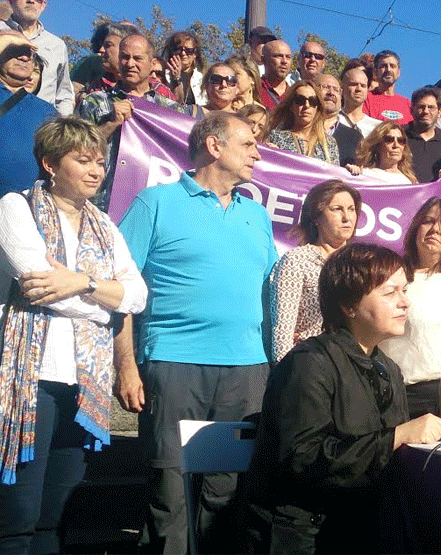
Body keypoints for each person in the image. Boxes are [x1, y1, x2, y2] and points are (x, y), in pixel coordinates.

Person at [115, 113, 277, 554]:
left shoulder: (257, 216)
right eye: (248, 144)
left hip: (246, 373)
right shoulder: (156, 203)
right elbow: (121, 290)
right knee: (171, 491)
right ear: (213, 146)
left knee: (225, 493)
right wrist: (127, 367)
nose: (257, 153)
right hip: (175, 365)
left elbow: (266, 291)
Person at [0, 116, 147, 552]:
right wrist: (105, 302)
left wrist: (82, 282)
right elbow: (38, 284)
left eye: (100, 162)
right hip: (32, 378)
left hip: (85, 383)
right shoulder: (15, 206)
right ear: (49, 163)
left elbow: (137, 295)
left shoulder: (106, 226)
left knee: (56, 514)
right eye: (83, 160)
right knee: (17, 514)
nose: (96, 170)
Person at [244, 243, 441, 554]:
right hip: (303, 533)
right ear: (349, 305)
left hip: (360, 524)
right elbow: (302, 459)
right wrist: (397, 437)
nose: (405, 303)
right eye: (390, 292)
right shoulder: (309, 363)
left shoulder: (387, 369)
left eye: (405, 291)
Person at [382, 198, 441, 418]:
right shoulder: (394, 276)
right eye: (428, 221)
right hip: (407, 396)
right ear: (416, 228)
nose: (435, 230)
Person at [77, 34, 185, 211]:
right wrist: (109, 124)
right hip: (100, 207)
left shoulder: (172, 111)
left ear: (152, 64)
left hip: (152, 209)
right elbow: (74, 151)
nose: (130, 64)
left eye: (137, 58)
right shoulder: (94, 102)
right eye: (125, 57)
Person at [270, 180, 361, 361]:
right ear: (316, 217)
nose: (347, 217)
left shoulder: (361, 262)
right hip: (312, 363)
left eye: (352, 209)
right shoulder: (297, 260)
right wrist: (286, 375)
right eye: (337, 209)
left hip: (355, 364)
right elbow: (282, 330)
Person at [2, 0, 73, 114]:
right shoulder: (1, 32)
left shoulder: (56, 45)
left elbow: (63, 95)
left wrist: (62, 127)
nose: (31, 0)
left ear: (43, 5)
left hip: (42, 128)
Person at [0, 31, 57, 196]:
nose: (24, 58)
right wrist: (7, 39)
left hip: (25, 210)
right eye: (15, 51)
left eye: (30, 54)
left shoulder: (48, 112)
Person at [264, 80, 340, 167]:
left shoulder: (329, 143)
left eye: (312, 101)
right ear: (291, 105)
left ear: (317, 108)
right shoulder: (276, 137)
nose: (306, 105)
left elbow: (335, 176)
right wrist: (271, 156)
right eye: (300, 100)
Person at [405, 85, 441, 182]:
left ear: (440, 111)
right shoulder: (399, 136)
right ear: (411, 110)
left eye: (431, 107)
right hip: (405, 195)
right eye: (421, 107)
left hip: (437, 196)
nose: (425, 111)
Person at [314, 72, 363, 167]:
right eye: (325, 87)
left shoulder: (355, 138)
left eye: (336, 90)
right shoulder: (298, 129)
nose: (331, 93)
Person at [363, 49, 411, 124]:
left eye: (392, 66)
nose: (388, 70)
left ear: (399, 72)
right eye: (383, 66)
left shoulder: (407, 104)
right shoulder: (366, 99)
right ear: (375, 71)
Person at [338, 59, 381, 137]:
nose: (358, 89)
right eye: (353, 84)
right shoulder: (330, 120)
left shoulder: (377, 127)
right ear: (342, 87)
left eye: (363, 86)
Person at [161, 31, 205, 106]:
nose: (183, 53)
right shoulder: (162, 76)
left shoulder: (203, 80)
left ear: (195, 54)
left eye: (189, 50)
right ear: (172, 52)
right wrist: (175, 78)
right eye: (178, 49)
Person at [260, 39, 293, 110]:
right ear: (263, 59)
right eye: (278, 56)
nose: (284, 61)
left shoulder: (295, 94)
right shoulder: (255, 90)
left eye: (288, 57)